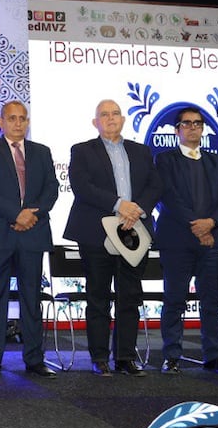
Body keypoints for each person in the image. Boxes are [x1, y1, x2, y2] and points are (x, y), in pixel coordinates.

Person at [63, 99, 162, 377]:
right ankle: (99, 358)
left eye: (115, 113)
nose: (110, 118)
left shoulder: (141, 151)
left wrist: (137, 208)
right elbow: (83, 187)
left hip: (135, 231)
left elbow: (156, 185)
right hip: (96, 233)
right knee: (98, 297)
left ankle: (125, 358)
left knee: (129, 297)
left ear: (123, 119)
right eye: (104, 115)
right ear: (95, 122)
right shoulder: (82, 150)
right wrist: (120, 205)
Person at [0, 100, 58, 378]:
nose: (18, 123)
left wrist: (31, 215)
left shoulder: (42, 152)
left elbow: (51, 189)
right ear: (1, 122)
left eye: (23, 118)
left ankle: (34, 359)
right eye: (12, 118)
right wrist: (16, 215)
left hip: (33, 233)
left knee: (31, 298)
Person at [153, 107, 218, 374]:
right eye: (186, 124)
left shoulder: (215, 161)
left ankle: (213, 356)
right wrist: (197, 227)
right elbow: (168, 197)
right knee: (175, 300)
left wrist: (210, 224)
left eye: (197, 124)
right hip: (177, 240)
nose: (192, 128)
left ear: (203, 129)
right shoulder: (165, 160)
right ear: (177, 130)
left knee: (212, 300)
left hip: (211, 241)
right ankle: (172, 356)